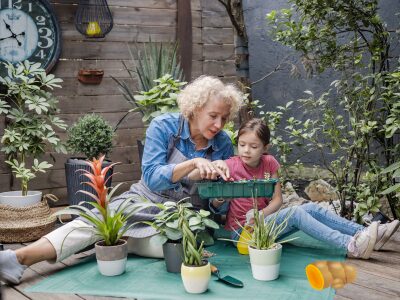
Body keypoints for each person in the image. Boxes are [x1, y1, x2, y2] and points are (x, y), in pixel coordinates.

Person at [0, 75, 243, 285]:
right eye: (213, 116)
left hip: (183, 217)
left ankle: (117, 242)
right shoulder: (164, 127)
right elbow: (152, 178)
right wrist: (192, 163)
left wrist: (220, 194)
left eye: (224, 118)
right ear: (196, 107)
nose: (219, 124)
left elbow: (216, 207)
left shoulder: (221, 143)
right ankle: (17, 259)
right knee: (95, 222)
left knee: (178, 248)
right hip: (143, 201)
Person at [210, 118, 400, 260]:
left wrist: (261, 214)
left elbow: (278, 200)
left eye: (253, 146)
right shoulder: (231, 165)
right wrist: (220, 189)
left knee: (311, 208)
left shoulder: (269, 163)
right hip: (242, 233)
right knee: (296, 214)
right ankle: (352, 246)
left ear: (265, 148)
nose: (246, 150)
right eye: (242, 145)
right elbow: (214, 200)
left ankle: (369, 234)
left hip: (263, 221)